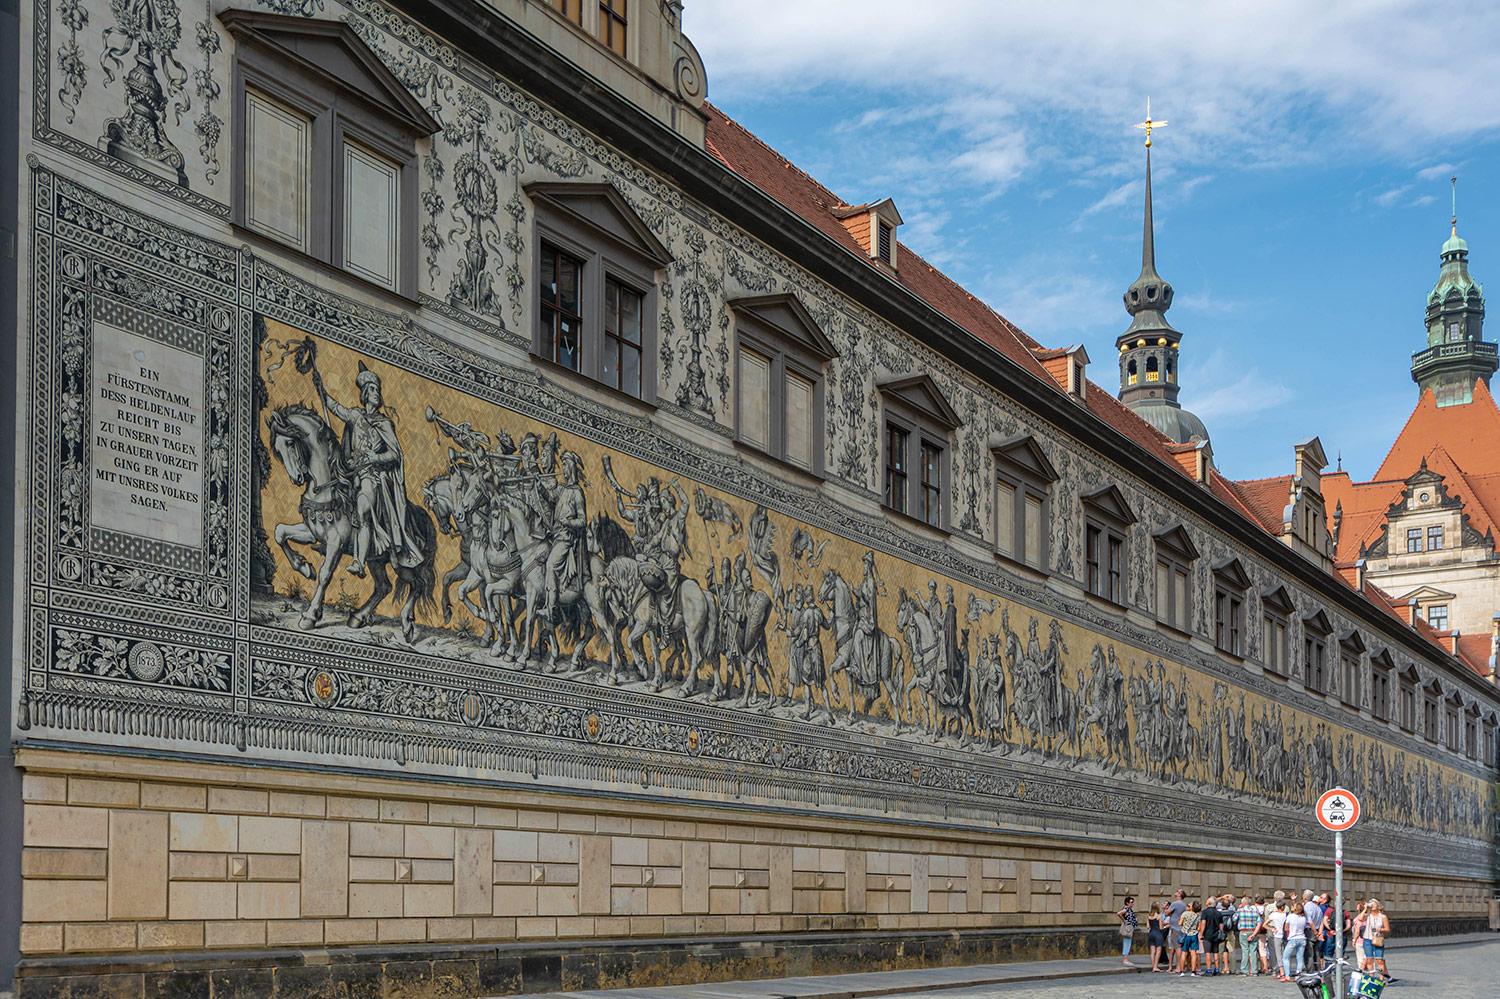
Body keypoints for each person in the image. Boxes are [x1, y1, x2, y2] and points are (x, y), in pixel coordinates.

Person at [1235, 895, 1262, 977]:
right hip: (1253, 931)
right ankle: (1254, 971)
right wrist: (1254, 934)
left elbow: (1234, 919)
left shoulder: (1240, 911)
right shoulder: (1255, 911)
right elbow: (1259, 923)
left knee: (1245, 951)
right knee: (1253, 951)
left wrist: (1238, 909)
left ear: (1243, 903)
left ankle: (1244, 971)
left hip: (1243, 931)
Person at [1282, 901, 1309, 980]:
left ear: (1295, 909)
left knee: (1285, 957)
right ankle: (1298, 975)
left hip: (1293, 938)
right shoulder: (1303, 918)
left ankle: (1287, 975)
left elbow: (1286, 928)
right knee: (1299, 958)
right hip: (1302, 938)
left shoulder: (1290, 916)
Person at [1363, 899, 1390, 978]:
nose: (1372, 905)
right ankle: (1371, 977)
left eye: (1373, 904)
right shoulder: (1367, 915)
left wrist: (1380, 929)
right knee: (1369, 960)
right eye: (1371, 904)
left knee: (1379, 960)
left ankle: (1381, 979)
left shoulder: (1383, 917)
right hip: (1367, 939)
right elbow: (1360, 918)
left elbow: (1387, 929)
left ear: (1378, 906)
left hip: (1378, 939)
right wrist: (1365, 909)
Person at [1197, 895, 1223, 976]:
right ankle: (1217, 969)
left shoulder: (1205, 912)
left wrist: (1201, 934)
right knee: (1216, 952)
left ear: (1209, 903)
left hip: (1207, 934)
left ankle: (1209, 970)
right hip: (1216, 934)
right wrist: (1220, 932)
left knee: (1208, 952)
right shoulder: (1218, 913)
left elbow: (1203, 923)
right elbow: (1221, 925)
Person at [1176, 901, 1202, 976]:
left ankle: (1182, 971)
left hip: (1185, 935)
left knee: (1184, 953)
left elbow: (1180, 923)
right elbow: (1199, 928)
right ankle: (1193, 971)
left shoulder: (1185, 913)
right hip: (1194, 935)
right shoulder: (1198, 916)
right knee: (1193, 954)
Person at [1265, 900, 1288, 981]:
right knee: (1284, 954)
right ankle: (1284, 971)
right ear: (1282, 907)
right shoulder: (1286, 915)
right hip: (1285, 936)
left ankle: (1281, 972)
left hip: (1277, 935)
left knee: (1278, 954)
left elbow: (1264, 924)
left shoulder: (1273, 914)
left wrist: (1272, 929)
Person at [1163, 889, 1186, 970]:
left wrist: (1165, 908)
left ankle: (1178, 967)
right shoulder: (1184, 904)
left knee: (1177, 948)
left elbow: (1167, 913)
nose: (1175, 892)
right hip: (1180, 927)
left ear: (1179, 894)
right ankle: (1179, 966)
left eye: (1177, 891)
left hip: (1175, 927)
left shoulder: (1175, 903)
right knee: (1178, 947)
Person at [1117, 896, 1138, 965]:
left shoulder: (1128, 909)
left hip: (1129, 927)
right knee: (1127, 943)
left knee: (1127, 942)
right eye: (1131, 902)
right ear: (1127, 903)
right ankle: (1125, 959)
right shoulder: (1126, 909)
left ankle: (1125, 958)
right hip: (1128, 928)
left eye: (1133, 902)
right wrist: (1124, 921)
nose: (1132, 904)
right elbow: (1119, 913)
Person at [1146, 902, 1167, 973]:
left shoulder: (1149, 916)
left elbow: (1148, 926)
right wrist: (1166, 926)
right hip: (1158, 934)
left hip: (1151, 934)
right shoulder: (1159, 916)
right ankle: (1155, 967)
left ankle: (1153, 967)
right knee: (1158, 951)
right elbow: (1161, 928)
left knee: (1152, 952)